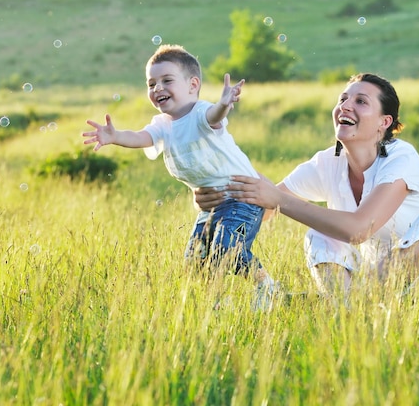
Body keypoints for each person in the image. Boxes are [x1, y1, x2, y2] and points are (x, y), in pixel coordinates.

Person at [195, 73, 419, 300]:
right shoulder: (328, 162)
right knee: (320, 234)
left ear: (384, 123)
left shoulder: (402, 157)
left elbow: (359, 229)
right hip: (381, 294)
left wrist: (279, 200)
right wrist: (217, 189)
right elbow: (264, 205)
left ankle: (355, 300)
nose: (346, 106)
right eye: (343, 99)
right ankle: (346, 309)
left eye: (361, 101)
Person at [82, 44, 276, 309]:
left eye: (166, 81)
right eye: (151, 83)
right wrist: (115, 137)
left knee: (226, 247)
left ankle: (265, 284)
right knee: (195, 260)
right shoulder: (162, 124)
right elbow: (141, 137)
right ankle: (217, 303)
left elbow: (213, 117)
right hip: (213, 205)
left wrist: (223, 104)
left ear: (192, 85)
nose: (157, 88)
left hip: (242, 199)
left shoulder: (200, 113)